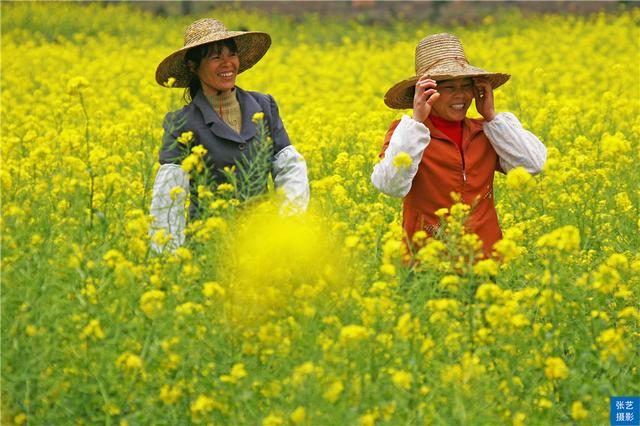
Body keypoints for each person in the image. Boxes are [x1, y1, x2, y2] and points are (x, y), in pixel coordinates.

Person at [371, 33, 547, 258]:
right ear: (427, 92)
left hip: (484, 260)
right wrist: (416, 121)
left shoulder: (487, 131)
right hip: (427, 264)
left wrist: (492, 116)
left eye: (466, 85)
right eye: (450, 87)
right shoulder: (406, 134)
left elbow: (533, 165)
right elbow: (390, 185)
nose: (461, 95)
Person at [150, 18, 310, 252]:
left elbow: (290, 169)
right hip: (209, 248)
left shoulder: (264, 106)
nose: (227, 64)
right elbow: (169, 197)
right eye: (216, 57)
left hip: (262, 248)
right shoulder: (181, 122)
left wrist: (287, 226)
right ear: (194, 66)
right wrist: (169, 256)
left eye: (231, 54)